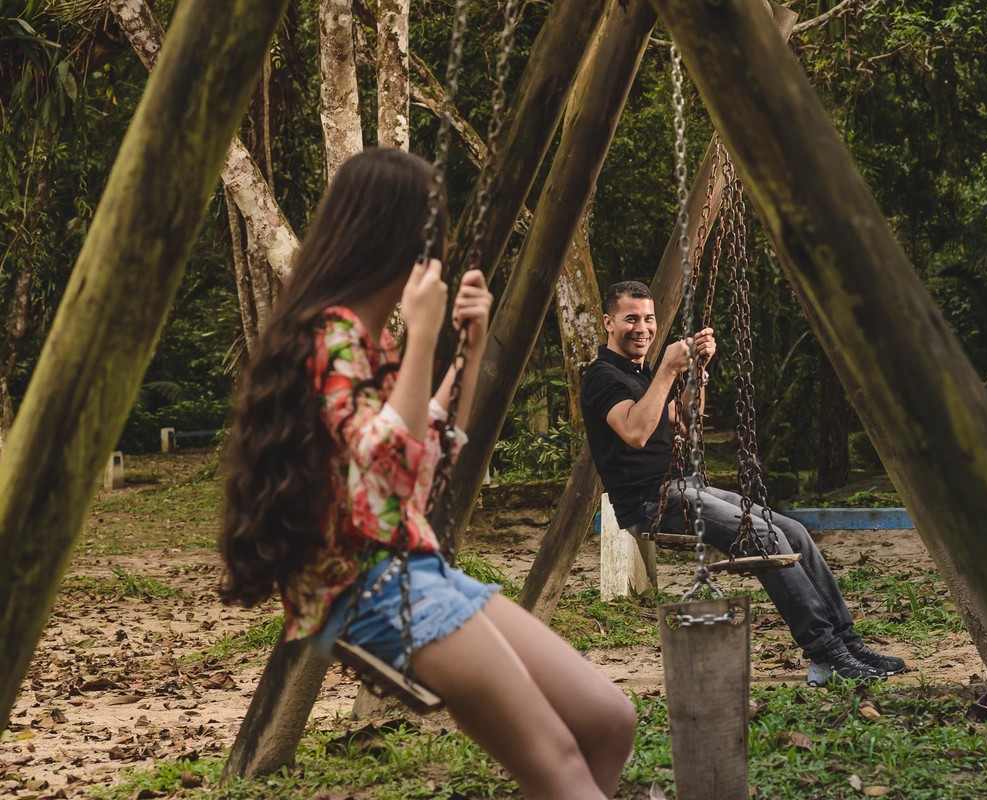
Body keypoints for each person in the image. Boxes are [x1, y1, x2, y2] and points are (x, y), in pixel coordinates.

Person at [218, 149, 635, 800]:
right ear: (393, 234)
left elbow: (427, 465)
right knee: (559, 762)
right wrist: (422, 336)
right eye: (430, 233)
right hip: (369, 587)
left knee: (608, 721)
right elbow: (386, 464)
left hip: (417, 572)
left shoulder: (372, 340)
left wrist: (466, 345)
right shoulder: (327, 336)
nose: (437, 252)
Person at [581, 280, 906, 685]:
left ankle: (845, 640)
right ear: (608, 322)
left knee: (794, 531)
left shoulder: (641, 375)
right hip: (651, 502)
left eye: (649, 318)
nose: (642, 327)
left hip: (682, 486)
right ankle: (824, 654)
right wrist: (667, 368)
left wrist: (698, 370)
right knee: (766, 538)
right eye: (631, 319)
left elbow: (686, 423)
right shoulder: (602, 377)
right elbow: (635, 432)